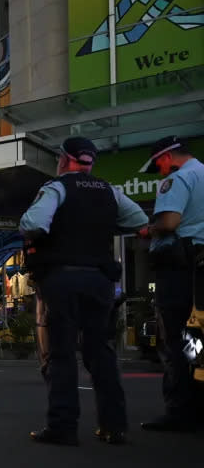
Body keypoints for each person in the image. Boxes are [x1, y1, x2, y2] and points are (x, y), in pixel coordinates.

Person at [20, 136, 148, 446]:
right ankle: (114, 426)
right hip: (99, 282)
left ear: (63, 160)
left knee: (62, 354)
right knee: (100, 352)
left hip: (61, 280)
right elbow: (141, 223)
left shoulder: (57, 188)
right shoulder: (110, 192)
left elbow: (32, 223)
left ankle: (63, 427)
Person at [136, 136, 204, 432]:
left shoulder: (177, 180)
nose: (160, 172)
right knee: (198, 336)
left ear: (167, 157)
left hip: (180, 267)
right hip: (200, 266)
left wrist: (148, 229)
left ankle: (180, 411)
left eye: (159, 165)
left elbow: (169, 222)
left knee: (175, 337)